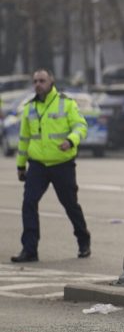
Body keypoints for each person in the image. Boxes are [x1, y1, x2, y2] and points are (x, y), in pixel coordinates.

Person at [12, 69, 91, 262]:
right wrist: (21, 166)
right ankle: (29, 250)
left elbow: (81, 126)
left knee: (70, 204)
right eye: (35, 81)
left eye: (42, 80)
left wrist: (71, 141)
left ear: (51, 82)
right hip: (37, 164)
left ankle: (83, 241)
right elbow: (24, 139)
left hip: (62, 164)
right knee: (28, 203)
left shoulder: (66, 103)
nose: (38, 84)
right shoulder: (29, 108)